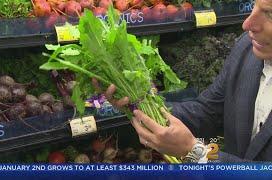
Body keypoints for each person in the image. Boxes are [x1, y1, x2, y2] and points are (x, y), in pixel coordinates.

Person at [93, 0, 272, 162]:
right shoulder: (247, 50)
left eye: (270, 14)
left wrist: (194, 151)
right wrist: (138, 104)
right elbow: (206, 112)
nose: (247, 24)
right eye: (255, 5)